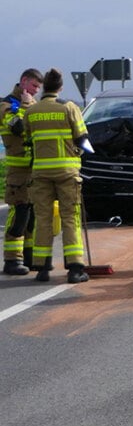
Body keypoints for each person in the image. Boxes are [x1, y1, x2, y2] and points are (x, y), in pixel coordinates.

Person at [22, 68, 90, 283]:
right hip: (67, 172)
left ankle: (42, 268)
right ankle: (75, 268)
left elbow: (27, 139)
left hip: (41, 173)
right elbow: (82, 138)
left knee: (43, 219)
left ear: (44, 87)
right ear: (60, 87)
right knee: (70, 218)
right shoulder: (69, 108)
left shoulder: (32, 111)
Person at [1, 68, 42, 275]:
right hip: (18, 171)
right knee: (19, 215)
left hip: (34, 170)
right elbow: (18, 127)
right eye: (34, 86)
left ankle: (29, 257)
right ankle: (11, 260)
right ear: (24, 82)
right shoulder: (6, 105)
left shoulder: (32, 104)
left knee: (32, 216)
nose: (36, 91)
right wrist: (28, 105)